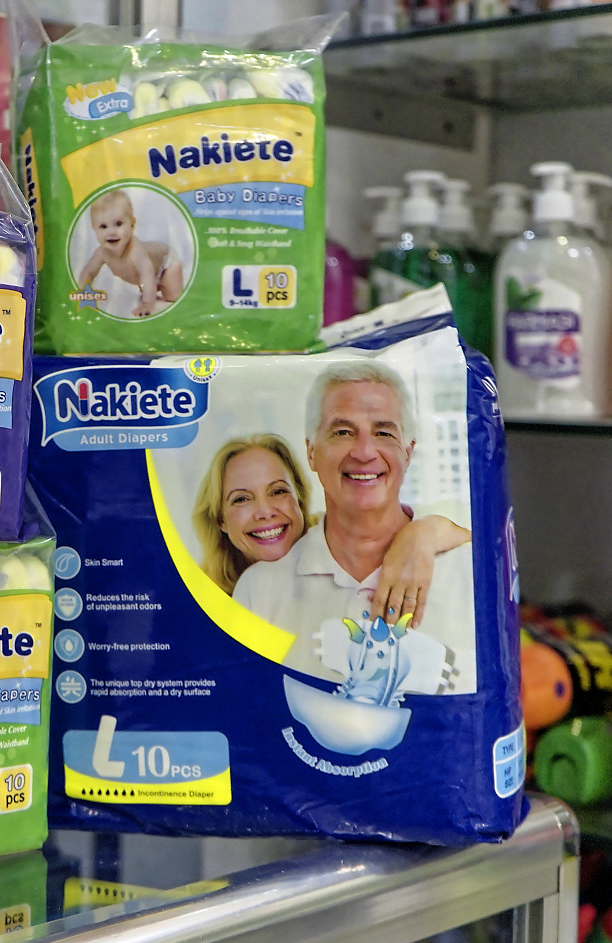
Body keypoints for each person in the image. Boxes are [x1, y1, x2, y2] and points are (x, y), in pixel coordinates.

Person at [231, 361, 478, 692]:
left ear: (408, 453)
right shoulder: (259, 590)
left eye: (383, 433)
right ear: (311, 452)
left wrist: (429, 533)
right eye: (342, 432)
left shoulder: (468, 569)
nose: (364, 452)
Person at [194, 433, 466, 627]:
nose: (265, 511)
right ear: (220, 520)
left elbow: (471, 540)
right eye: (241, 499)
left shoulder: (342, 547)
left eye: (278, 491)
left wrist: (422, 534)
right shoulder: (209, 604)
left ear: (299, 500)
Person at [77, 190, 184, 317]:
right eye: (103, 226)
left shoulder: (136, 251)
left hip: (166, 263)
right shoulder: (102, 253)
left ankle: (163, 283)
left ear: (132, 224)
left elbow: (147, 273)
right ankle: (156, 286)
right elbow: (88, 272)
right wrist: (85, 293)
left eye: (118, 224)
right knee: (147, 286)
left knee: (172, 297)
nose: (111, 232)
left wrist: (147, 303)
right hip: (147, 277)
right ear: (94, 228)